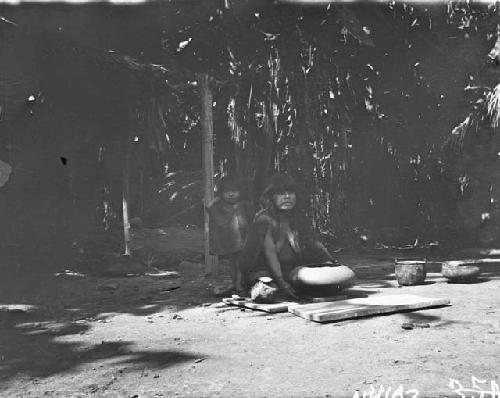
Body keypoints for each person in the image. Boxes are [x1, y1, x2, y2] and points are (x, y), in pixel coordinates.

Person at [238, 173, 355, 301]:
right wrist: (281, 281)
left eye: (290, 193)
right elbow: (270, 254)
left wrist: (331, 262)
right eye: (281, 193)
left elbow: (315, 243)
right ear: (271, 197)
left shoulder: (297, 217)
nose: (287, 197)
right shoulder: (264, 219)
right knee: (268, 292)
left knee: (333, 279)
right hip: (266, 271)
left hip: (292, 269)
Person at [206, 175, 254, 294]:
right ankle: (235, 283)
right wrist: (213, 202)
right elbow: (213, 213)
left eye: (234, 191)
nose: (231, 194)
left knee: (242, 263)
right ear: (221, 193)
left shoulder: (245, 204)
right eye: (227, 192)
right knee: (233, 263)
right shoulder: (221, 206)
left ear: (240, 192)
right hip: (231, 241)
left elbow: (253, 219)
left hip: (246, 240)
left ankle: (240, 283)